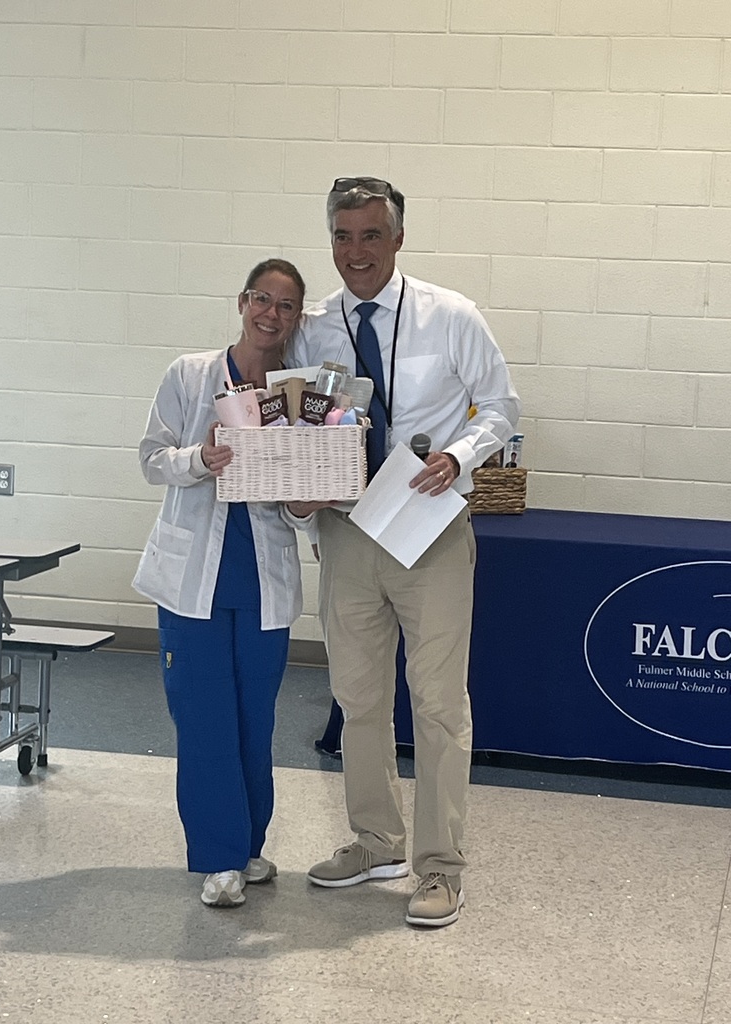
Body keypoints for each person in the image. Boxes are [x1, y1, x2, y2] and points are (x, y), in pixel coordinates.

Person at [286, 177, 520, 928]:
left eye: (371, 235)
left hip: (429, 526)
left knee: (439, 704)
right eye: (343, 237)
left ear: (398, 238)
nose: (357, 252)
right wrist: (298, 484)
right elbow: (296, 419)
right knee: (357, 697)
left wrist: (458, 455)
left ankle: (442, 867)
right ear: (332, 241)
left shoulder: (450, 315)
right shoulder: (314, 327)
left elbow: (501, 405)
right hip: (349, 531)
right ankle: (376, 840)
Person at [132, 258, 308, 909]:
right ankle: (220, 857)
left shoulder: (301, 394)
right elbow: (151, 459)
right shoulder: (190, 374)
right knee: (204, 721)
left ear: (296, 319)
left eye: (286, 306)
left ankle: (249, 845)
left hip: (263, 586)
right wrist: (199, 460)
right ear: (242, 302)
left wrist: (308, 502)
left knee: (253, 723)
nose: (272, 315)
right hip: (191, 586)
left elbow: (298, 497)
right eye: (263, 299)